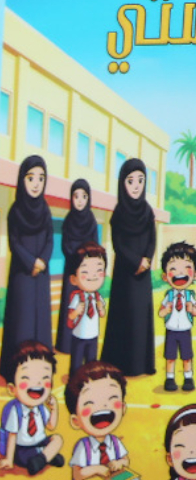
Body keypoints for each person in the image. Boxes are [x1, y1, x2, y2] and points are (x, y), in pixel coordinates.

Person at [65, 360, 138, 480]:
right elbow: (78, 474)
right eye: (91, 403)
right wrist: (97, 469)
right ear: (76, 421)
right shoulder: (83, 446)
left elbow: (125, 459)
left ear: (123, 408)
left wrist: (119, 463)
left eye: (112, 400)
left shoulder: (114, 442)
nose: (103, 408)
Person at [99, 159, 158, 376]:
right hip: (126, 274)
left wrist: (147, 259)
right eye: (130, 181)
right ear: (122, 183)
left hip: (143, 276)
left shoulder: (147, 211)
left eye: (140, 180)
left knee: (141, 318)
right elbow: (119, 244)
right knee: (125, 317)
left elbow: (152, 239)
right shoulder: (119, 213)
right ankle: (122, 364)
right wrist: (136, 262)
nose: (136, 186)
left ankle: (142, 365)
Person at [1, 153, 53, 382]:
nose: (36, 184)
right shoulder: (16, 210)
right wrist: (31, 262)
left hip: (41, 275)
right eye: (31, 178)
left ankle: (42, 367)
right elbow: (14, 242)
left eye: (41, 178)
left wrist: (43, 261)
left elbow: (50, 239)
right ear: (22, 179)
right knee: (22, 320)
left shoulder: (45, 209)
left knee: (40, 320)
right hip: (23, 274)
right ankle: (17, 369)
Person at [0, 341, 63, 475]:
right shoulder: (16, 411)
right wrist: (9, 459)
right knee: (24, 457)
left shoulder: (41, 409)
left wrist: (54, 409)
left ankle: (42, 457)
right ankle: (46, 455)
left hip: (40, 442)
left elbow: (51, 426)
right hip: (23, 448)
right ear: (12, 388)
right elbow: (12, 436)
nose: (38, 383)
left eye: (45, 378)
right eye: (27, 378)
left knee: (57, 439)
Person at [54, 178, 99, 348]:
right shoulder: (68, 220)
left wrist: (88, 265)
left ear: (89, 198)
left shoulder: (91, 221)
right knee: (71, 305)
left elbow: (95, 246)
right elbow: (65, 246)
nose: (80, 200)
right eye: (76, 196)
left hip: (88, 272)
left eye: (84, 196)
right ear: (71, 198)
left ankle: (85, 343)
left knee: (87, 305)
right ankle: (66, 344)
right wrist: (78, 263)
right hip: (72, 272)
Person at [61, 244, 106, 375]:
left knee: (92, 362)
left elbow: (102, 314)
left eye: (99, 271)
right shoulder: (77, 297)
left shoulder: (97, 297)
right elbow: (70, 316)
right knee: (76, 361)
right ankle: (74, 379)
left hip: (93, 335)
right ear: (74, 279)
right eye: (85, 272)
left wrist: (101, 308)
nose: (93, 276)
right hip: (79, 335)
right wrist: (76, 311)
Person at [161, 241, 196, 392]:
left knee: (187, 356)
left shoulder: (190, 295)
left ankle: (188, 377)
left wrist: (192, 309)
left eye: (186, 268)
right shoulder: (169, 295)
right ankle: (170, 378)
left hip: (185, 330)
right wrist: (165, 311)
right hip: (171, 330)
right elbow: (161, 312)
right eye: (173, 269)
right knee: (170, 357)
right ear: (165, 276)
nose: (179, 273)